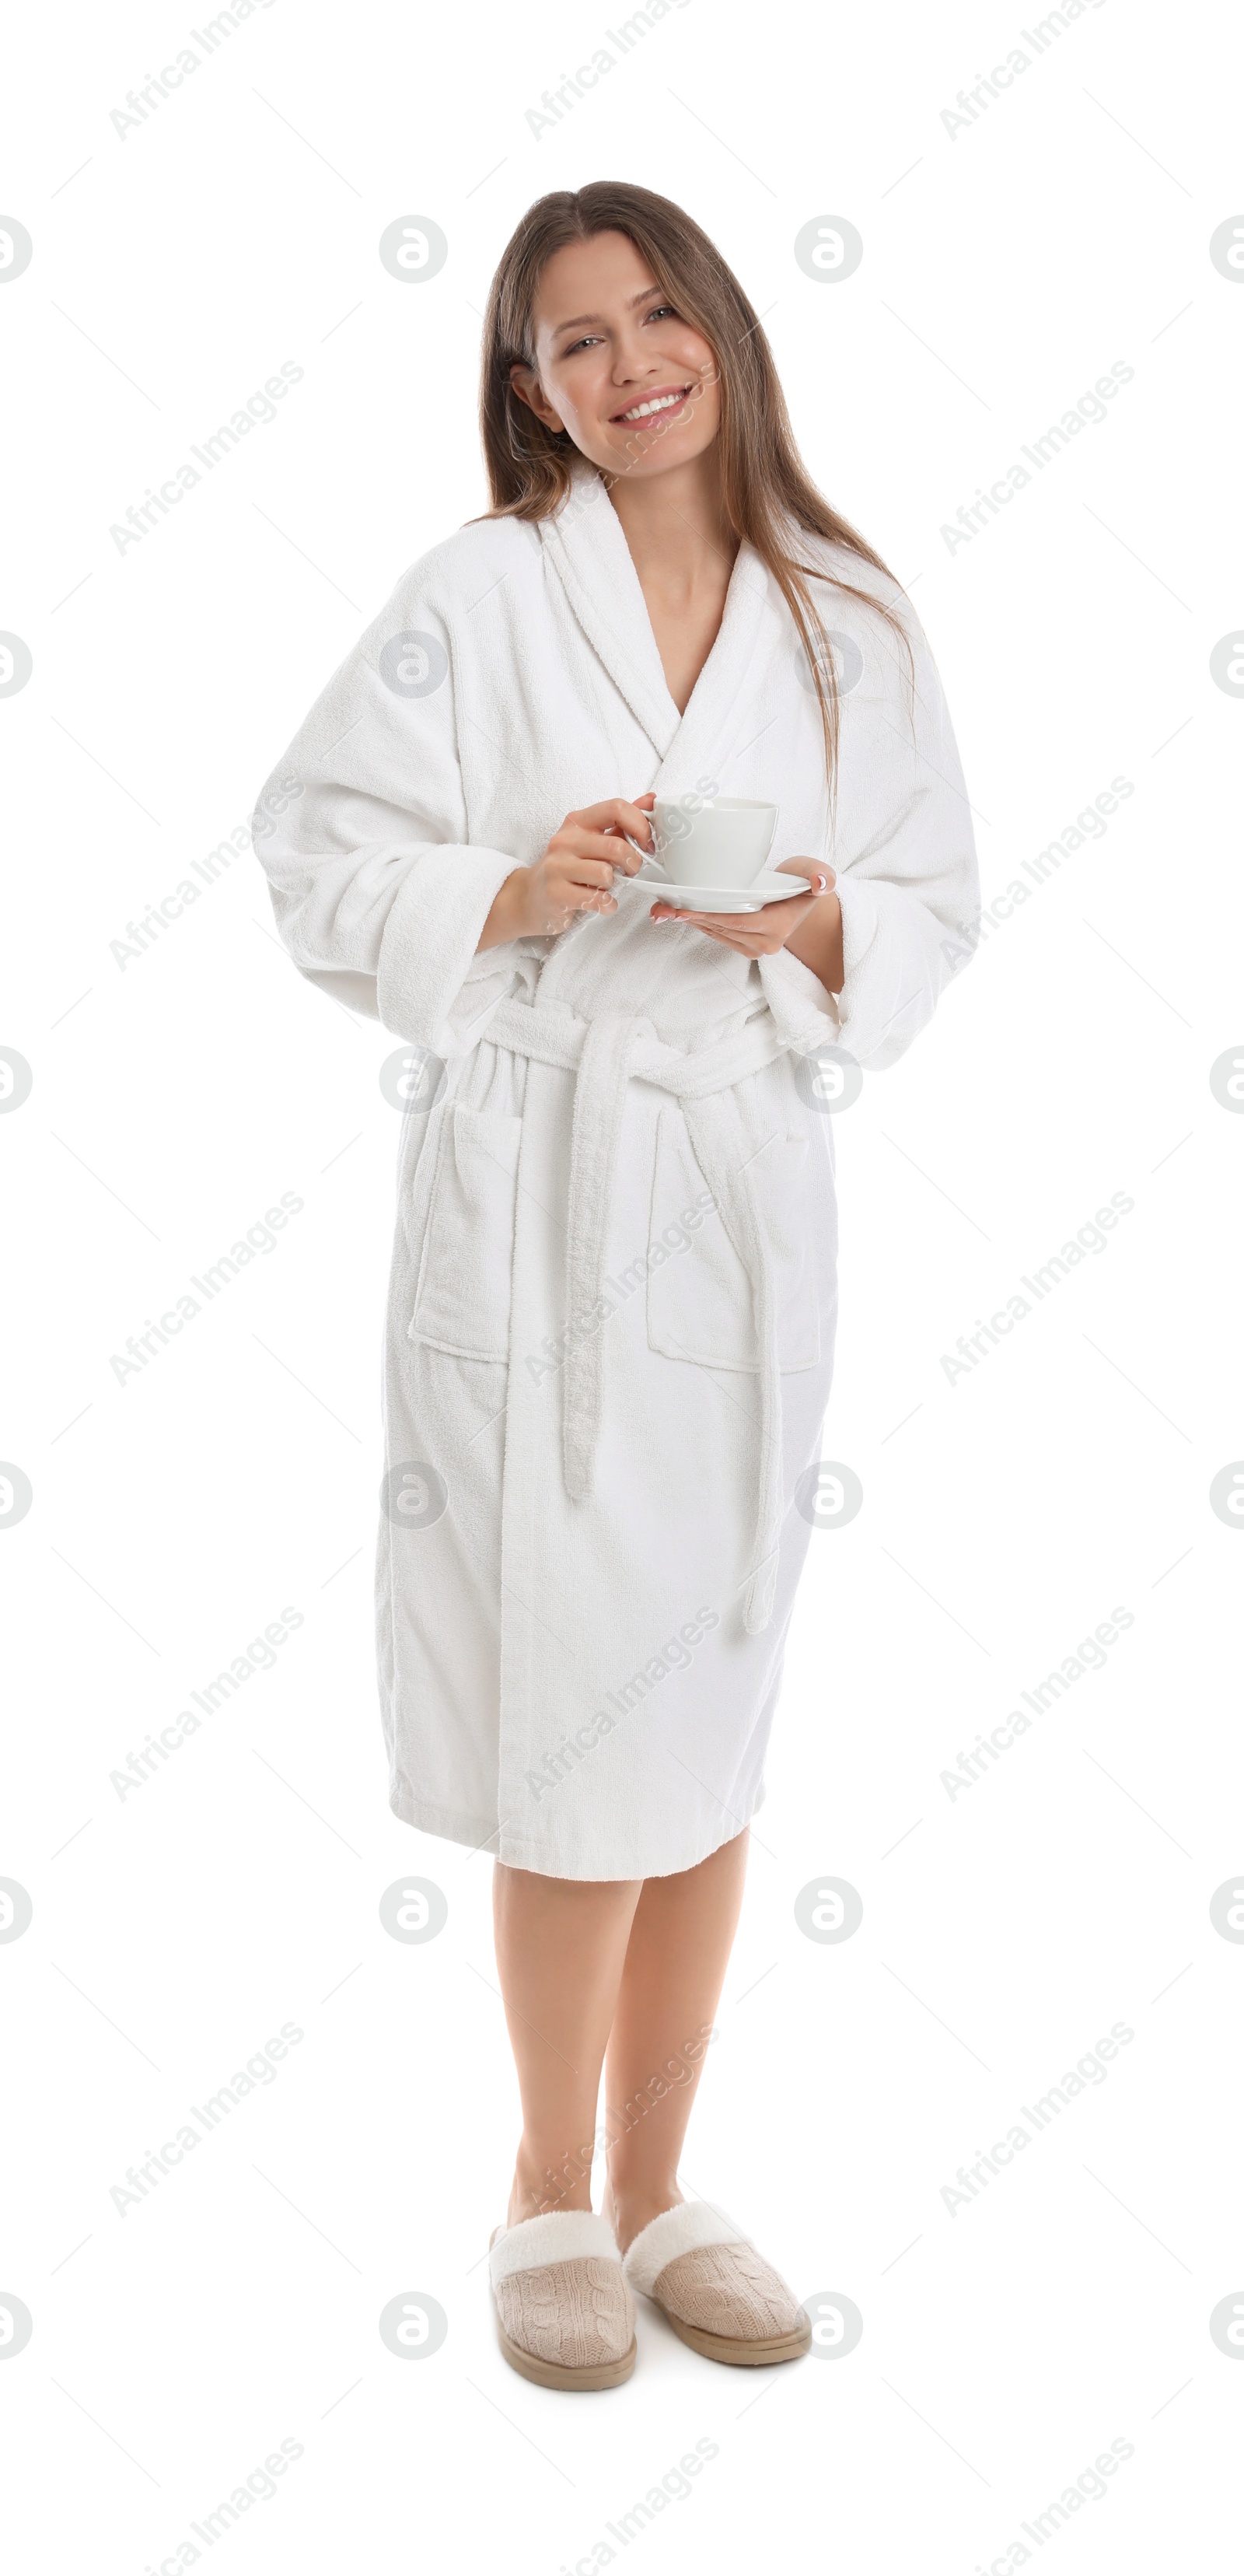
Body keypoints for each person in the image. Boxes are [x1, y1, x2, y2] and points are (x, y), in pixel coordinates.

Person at [253, 180, 978, 2391]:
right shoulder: (475, 594)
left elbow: (935, 886)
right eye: (576, 340)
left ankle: (668, 2189)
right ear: (528, 388)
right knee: (579, 1724)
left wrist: (821, 924)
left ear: (725, 332)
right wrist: (505, 884)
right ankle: (541, 2191)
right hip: (540, 1193)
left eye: (659, 314)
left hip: (737, 1196)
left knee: (711, 1711)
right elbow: (310, 849)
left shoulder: (846, 609)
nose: (629, 361)